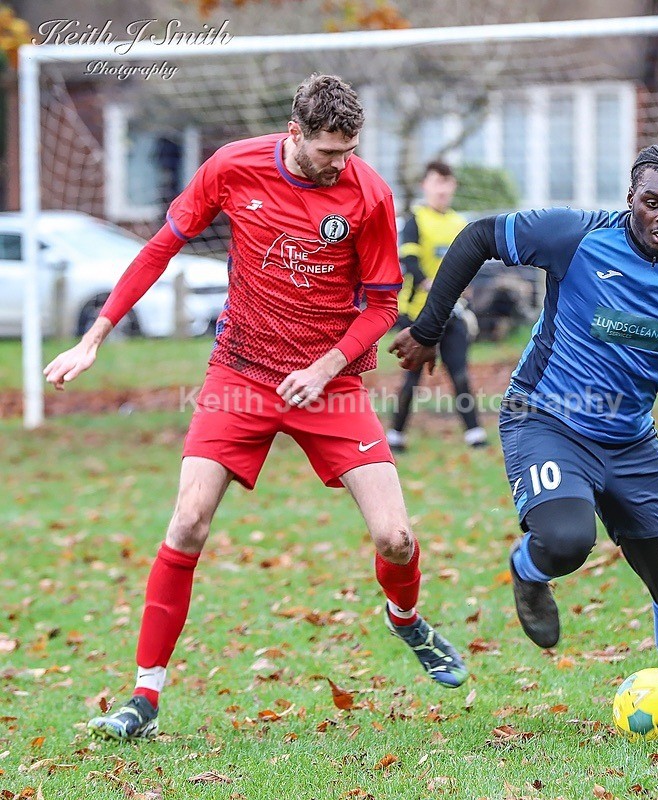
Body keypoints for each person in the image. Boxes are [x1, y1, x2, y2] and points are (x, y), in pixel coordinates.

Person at [45, 74, 467, 741]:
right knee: (187, 523)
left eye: (350, 150)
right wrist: (96, 335)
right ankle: (144, 696)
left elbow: (384, 304)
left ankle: (405, 618)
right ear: (294, 134)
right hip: (240, 374)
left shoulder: (370, 195)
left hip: (329, 385)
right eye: (329, 151)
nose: (341, 164)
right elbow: (161, 246)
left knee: (396, 538)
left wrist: (325, 366)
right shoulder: (233, 166)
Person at [390, 143, 658, 717]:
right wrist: (430, 328)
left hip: (631, 438)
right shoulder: (576, 236)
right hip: (546, 419)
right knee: (566, 541)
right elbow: (480, 235)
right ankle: (527, 569)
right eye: (650, 202)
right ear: (629, 198)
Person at [386, 161, 487, 452]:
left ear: (453, 186)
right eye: (435, 182)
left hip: (453, 313)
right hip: (420, 314)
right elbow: (410, 262)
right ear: (425, 186)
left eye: (446, 183)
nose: (441, 189)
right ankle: (396, 435)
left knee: (460, 372)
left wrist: (462, 289)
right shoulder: (415, 220)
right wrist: (434, 285)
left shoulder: (459, 223)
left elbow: (471, 263)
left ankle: (474, 434)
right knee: (413, 375)